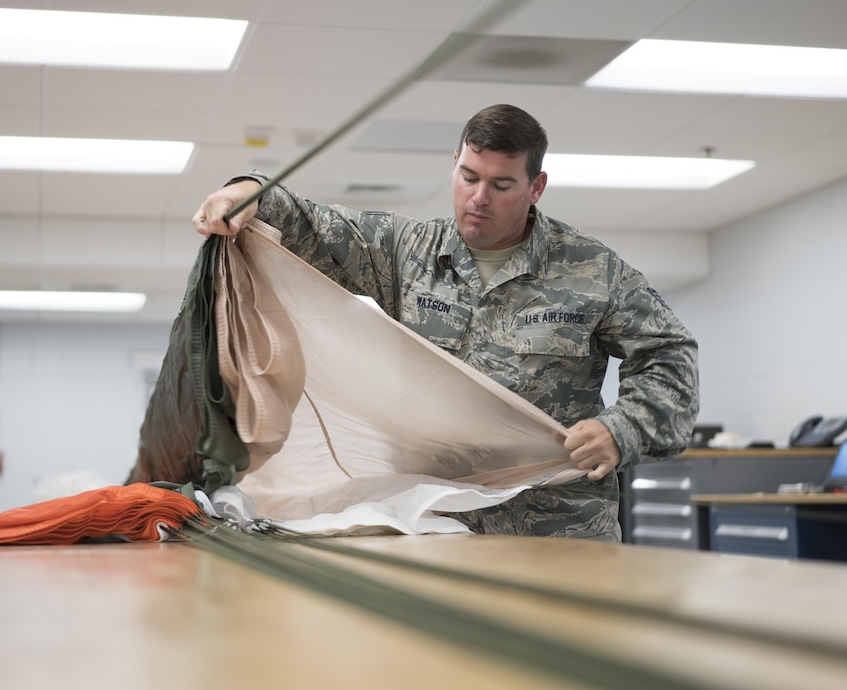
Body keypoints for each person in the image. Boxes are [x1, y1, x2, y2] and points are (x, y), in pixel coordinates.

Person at [193, 103, 699, 541]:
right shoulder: (407, 251)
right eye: (468, 177)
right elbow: (312, 224)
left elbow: (669, 357)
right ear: (453, 166)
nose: (479, 198)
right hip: (433, 519)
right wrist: (248, 189)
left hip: (556, 525)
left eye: (502, 185)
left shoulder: (593, 271)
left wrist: (622, 428)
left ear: (536, 187)